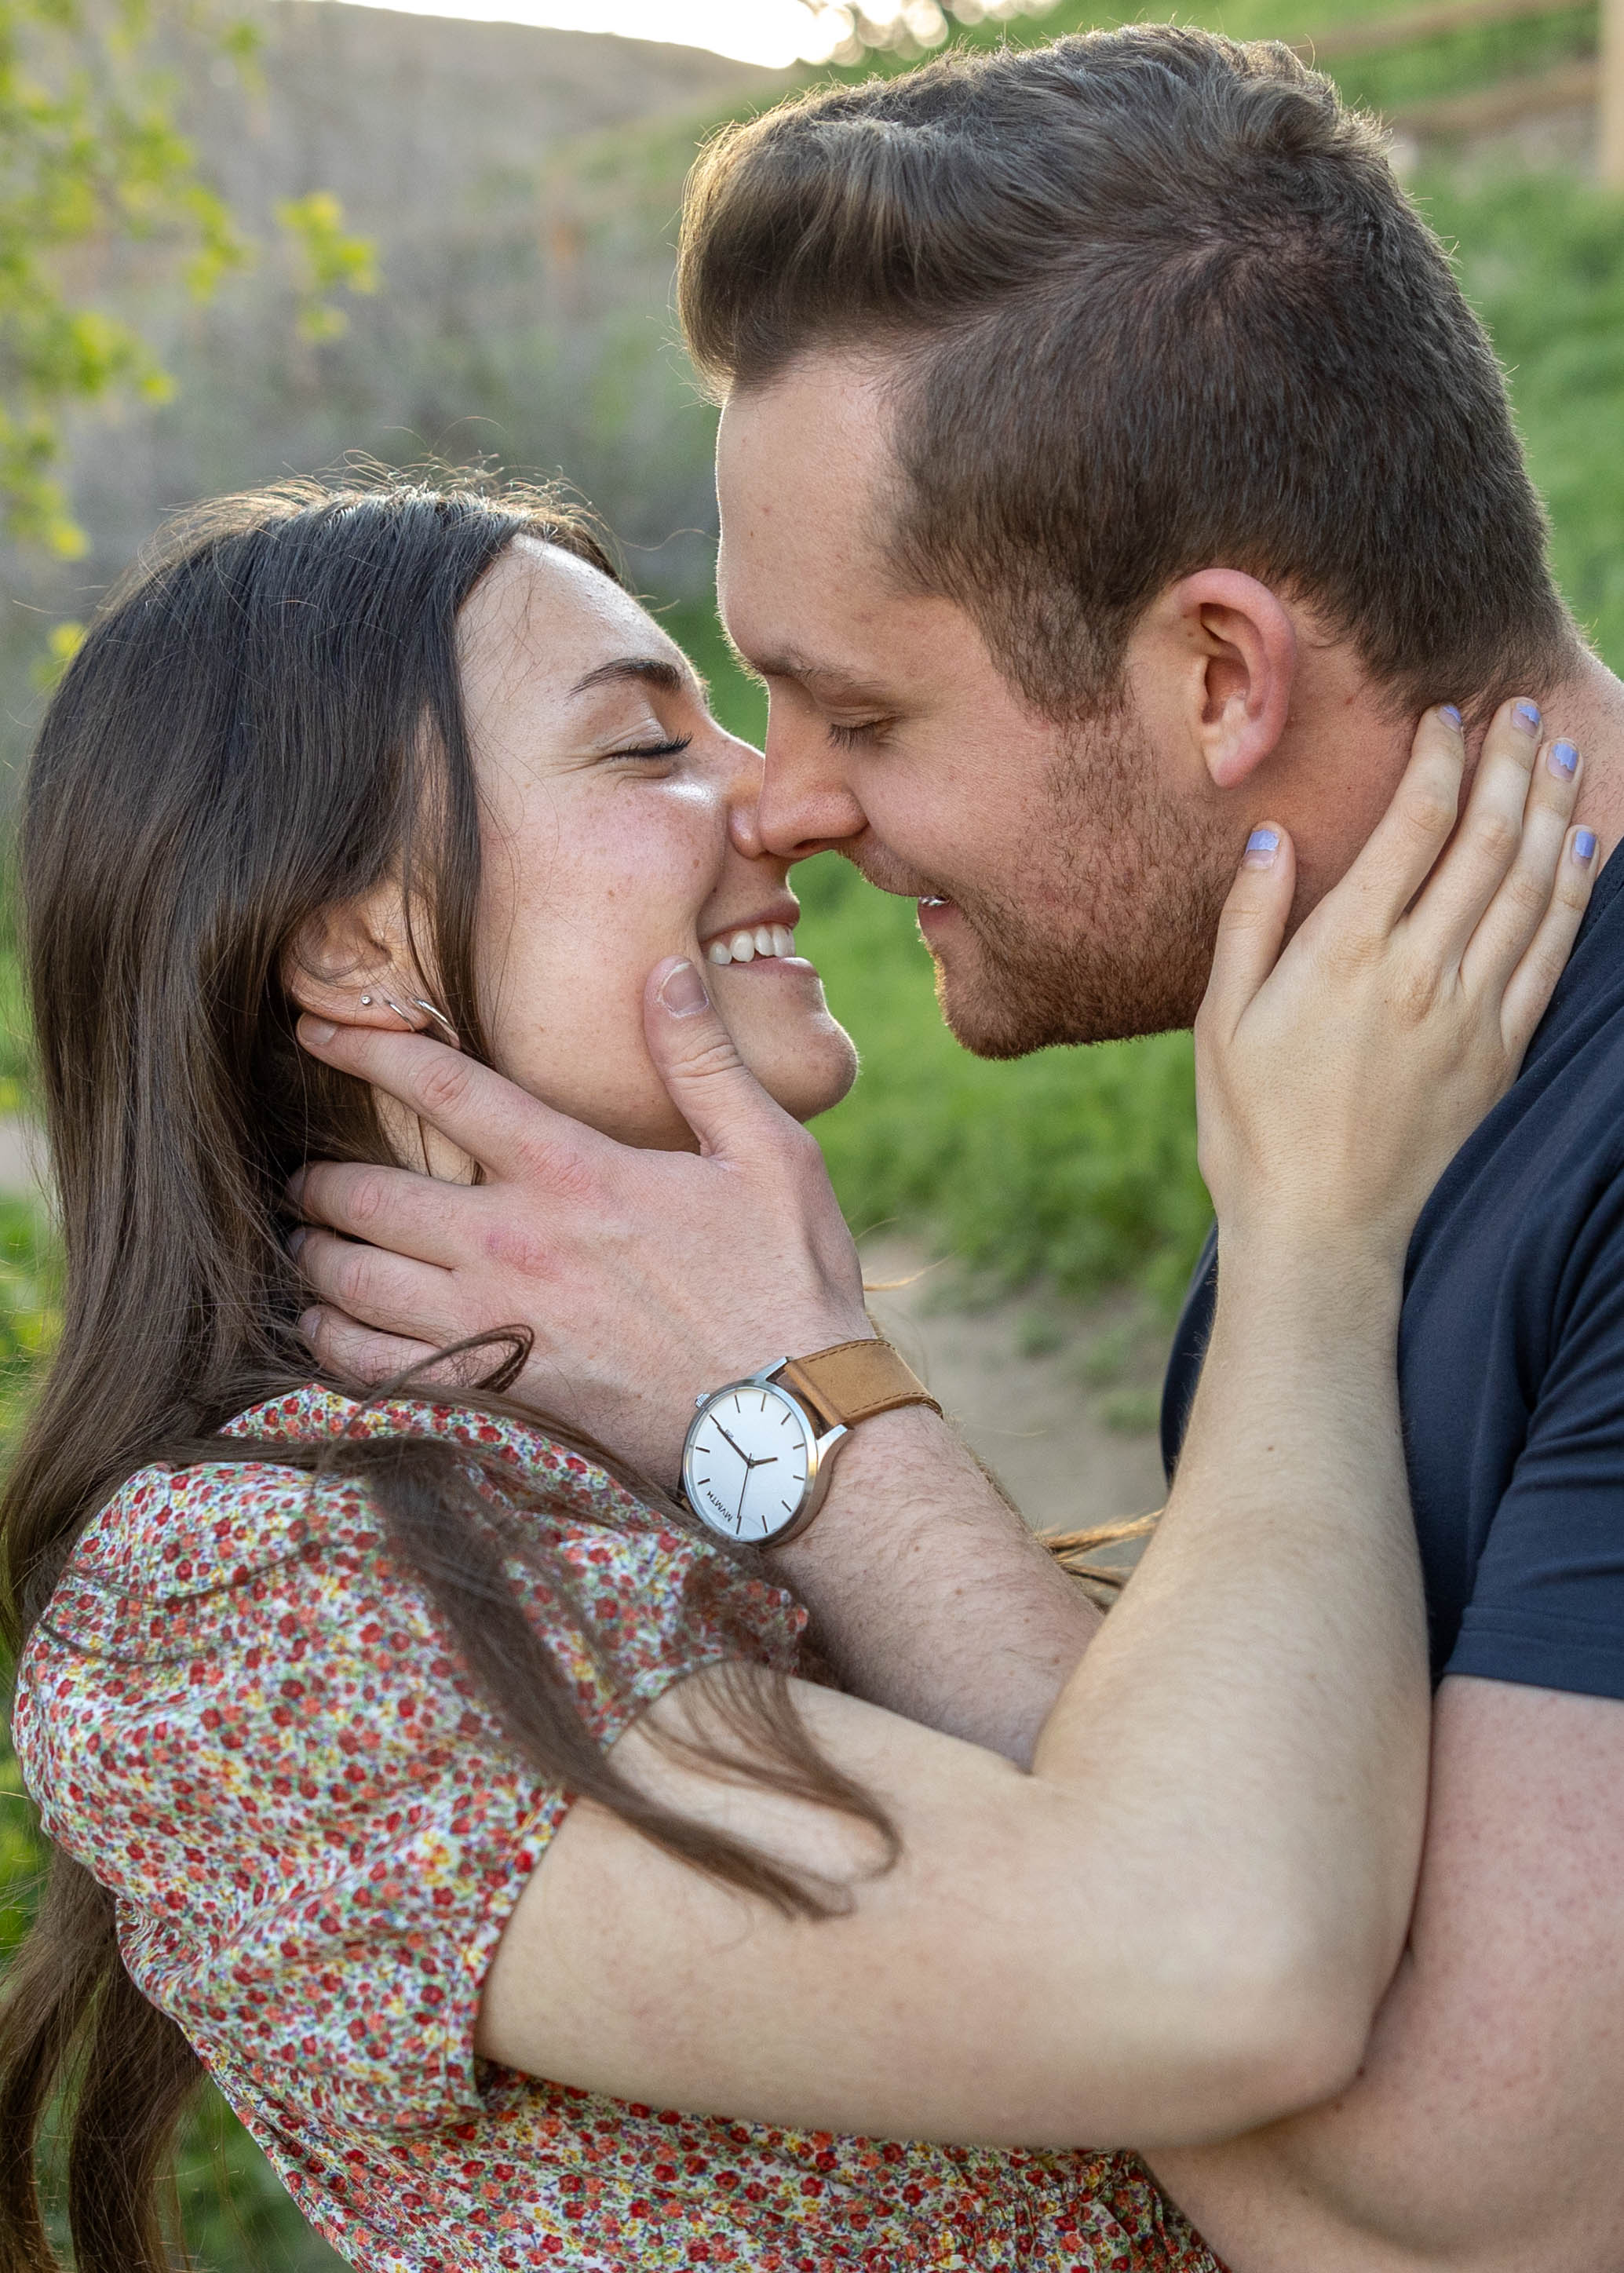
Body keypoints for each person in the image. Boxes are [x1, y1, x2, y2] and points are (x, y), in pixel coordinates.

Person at [279, 30, 1624, 2273]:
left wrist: (807, 1418)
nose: (780, 807)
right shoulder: (1384, 1098)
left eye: (857, 710)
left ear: (1214, 675)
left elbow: (1452, 2206)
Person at [0, 475, 1588, 2273]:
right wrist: (1309, 1235)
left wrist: (774, 1389)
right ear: (354, 942)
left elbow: (1252, 1916)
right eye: (638, 749)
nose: (774, 798)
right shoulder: (239, 1608)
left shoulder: (624, 1444)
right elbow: (1218, 1951)